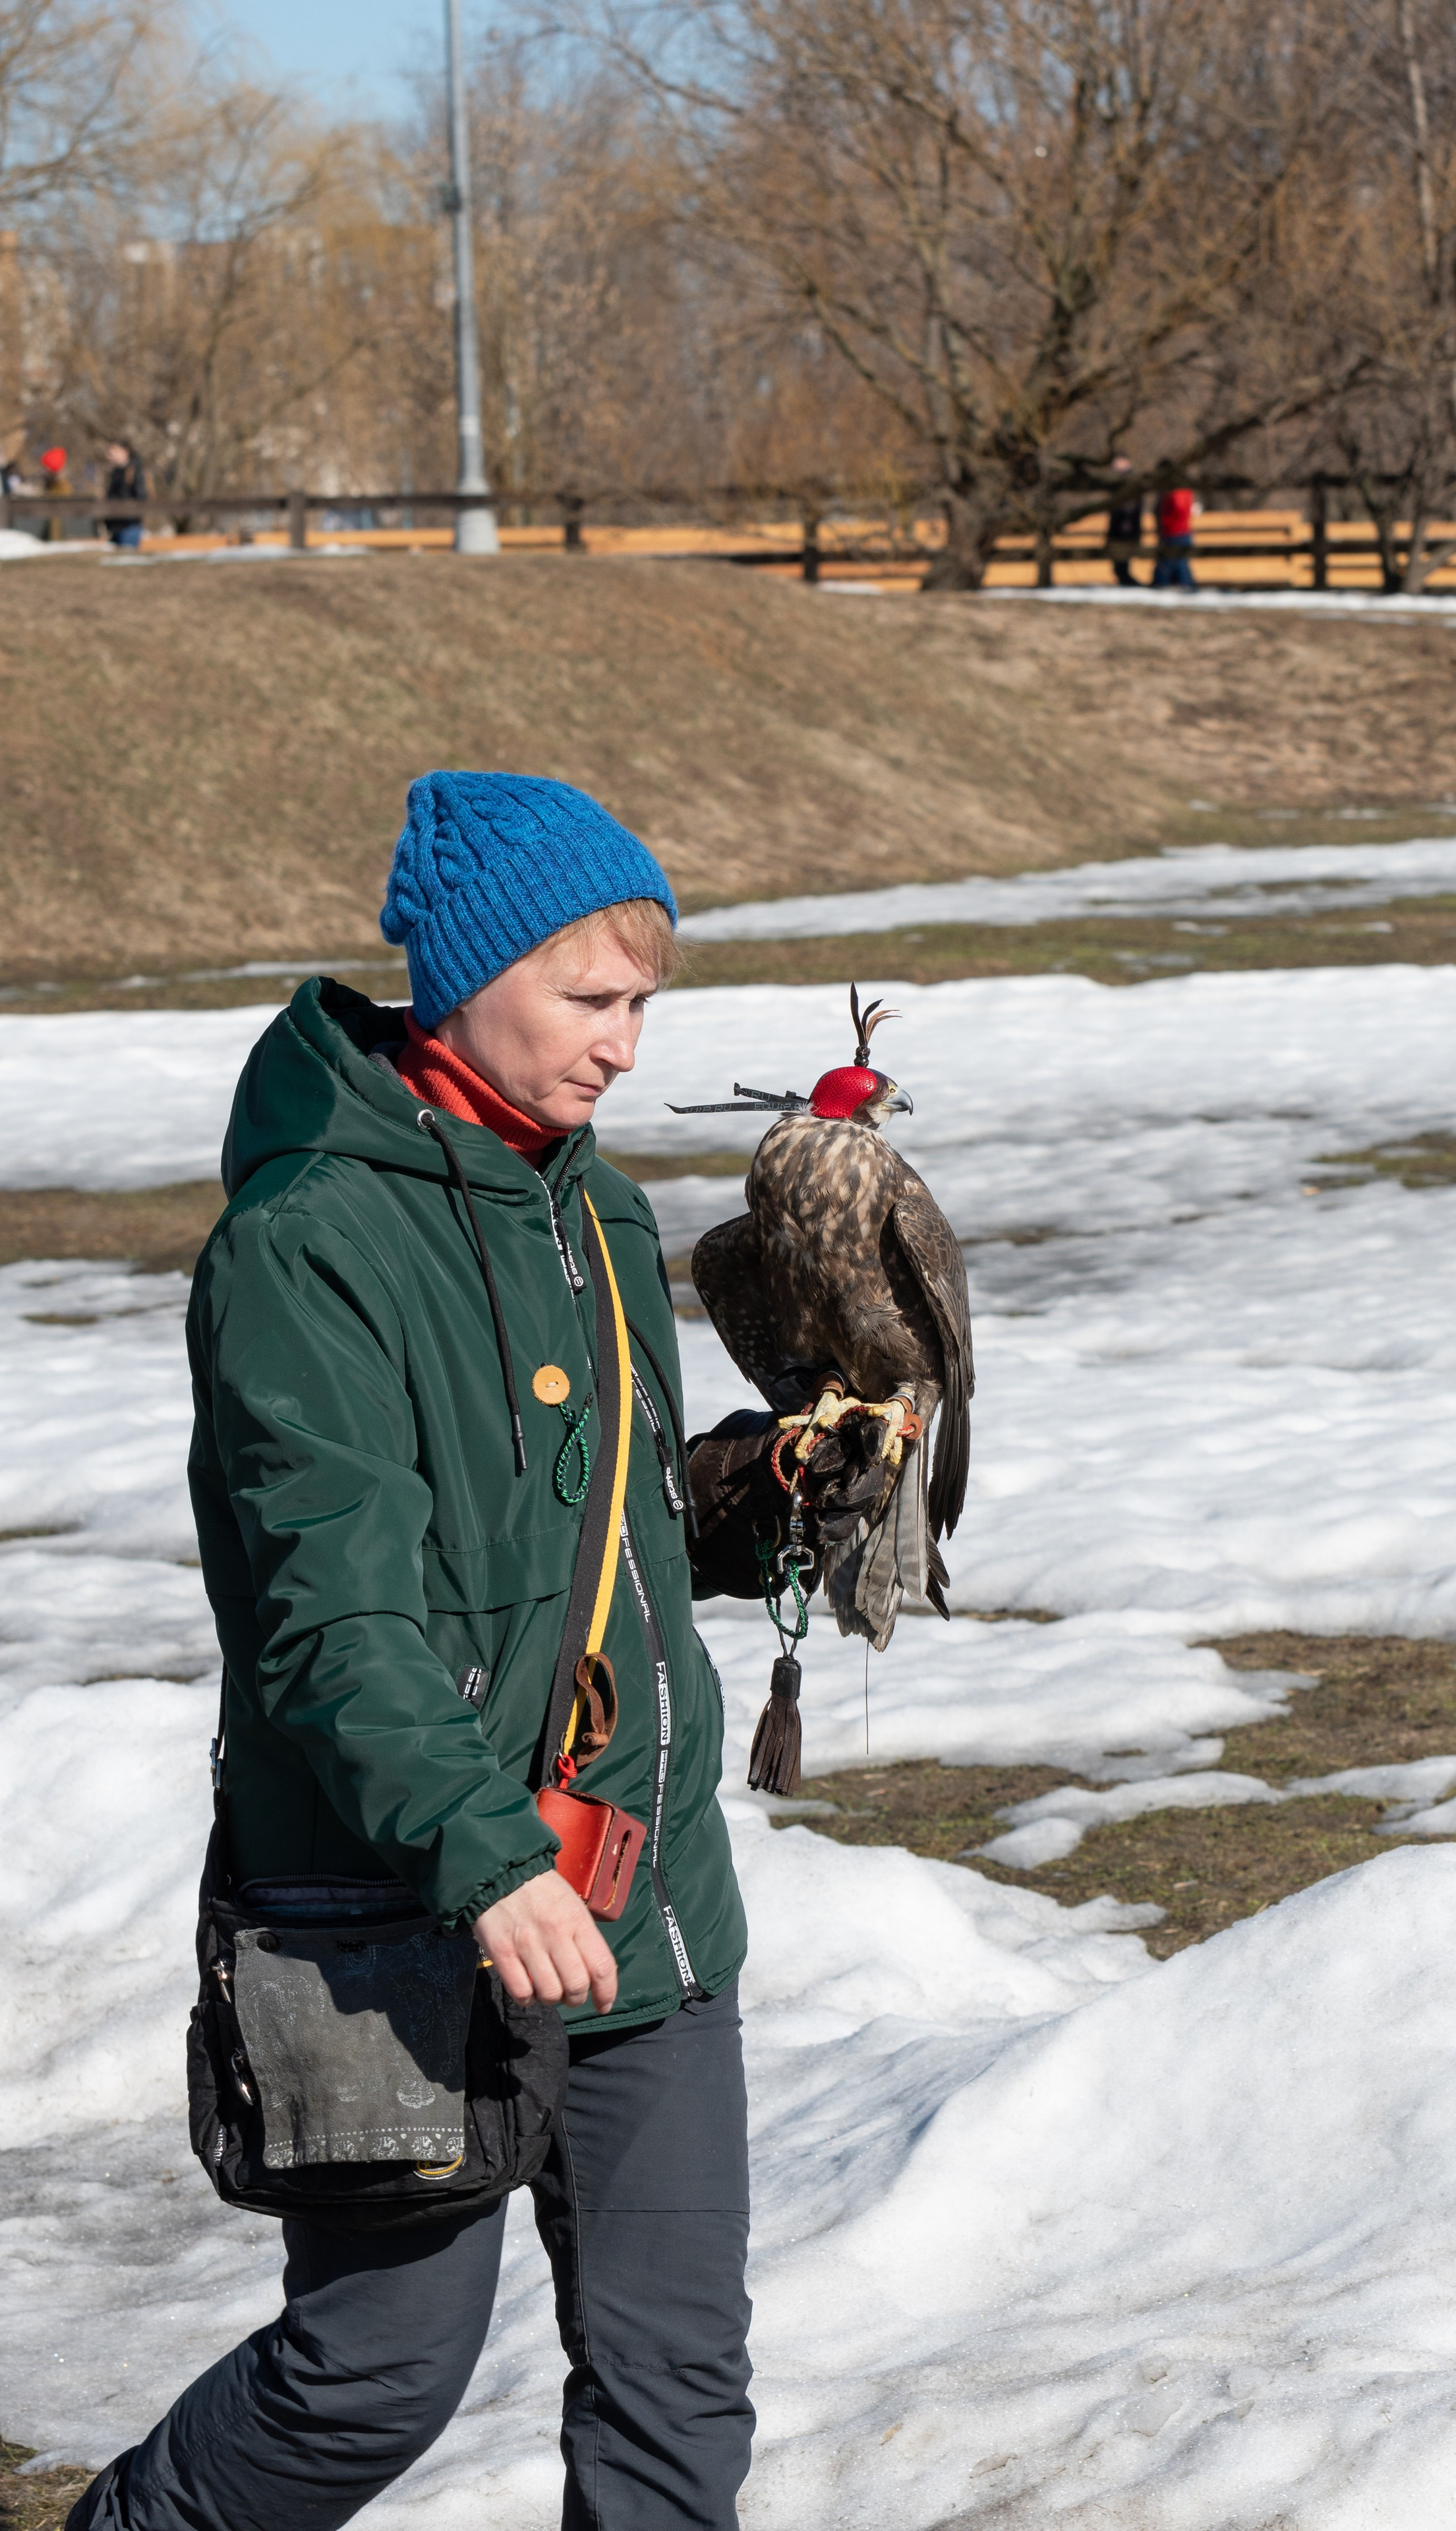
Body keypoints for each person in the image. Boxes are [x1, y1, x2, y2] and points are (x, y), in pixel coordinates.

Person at [67, 771, 837, 2531]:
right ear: (469, 974)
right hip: (401, 1911)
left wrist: (769, 1498)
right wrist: (488, 1861)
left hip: (644, 1907)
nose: (627, 1047)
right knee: (369, 2383)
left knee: (676, 2389)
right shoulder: (307, 1242)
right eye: (592, 999)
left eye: (646, 1004)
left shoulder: (606, 1217)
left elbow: (613, 1546)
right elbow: (329, 1618)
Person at [1152, 481, 1201, 591]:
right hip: (1176, 532)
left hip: (1176, 532)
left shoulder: (1177, 492)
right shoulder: (1182, 491)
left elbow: (1179, 508)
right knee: (1178, 564)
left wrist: (1166, 521)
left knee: (1173, 564)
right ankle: (1183, 587)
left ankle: (1163, 586)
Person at [1104, 455, 1144, 587]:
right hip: (1120, 531)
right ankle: (1131, 589)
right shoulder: (1119, 482)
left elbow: (1129, 510)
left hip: (1125, 532)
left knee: (1121, 569)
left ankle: (1134, 590)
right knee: (1120, 569)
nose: (1114, 466)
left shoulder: (1130, 482)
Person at [103, 440, 146, 547]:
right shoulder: (114, 473)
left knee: (128, 558)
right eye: (111, 452)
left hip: (130, 526)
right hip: (115, 527)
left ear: (125, 452)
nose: (112, 455)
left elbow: (141, 497)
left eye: (116, 451)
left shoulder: (134, 471)